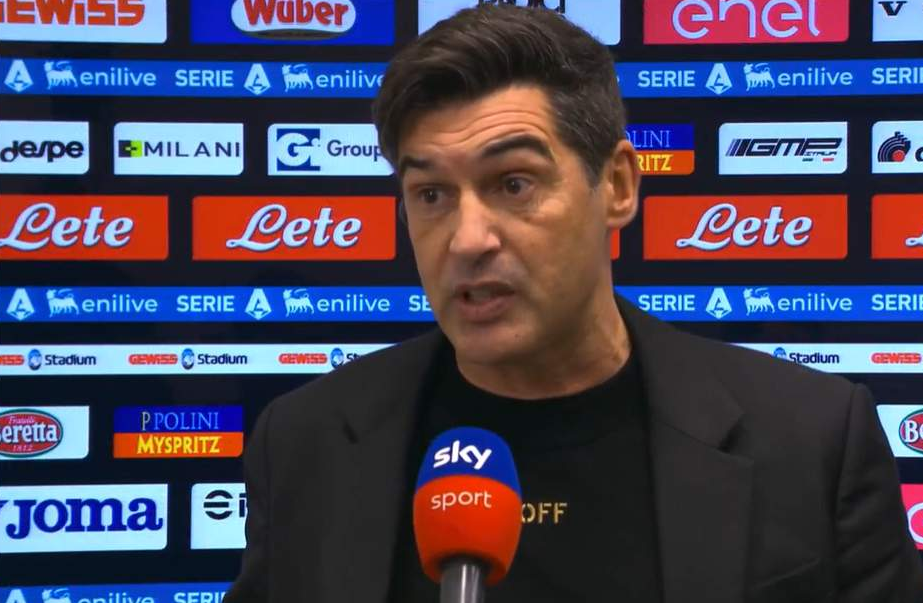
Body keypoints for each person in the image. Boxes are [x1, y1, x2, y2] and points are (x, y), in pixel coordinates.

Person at [224, 5, 923, 602]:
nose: (467, 239)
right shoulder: (306, 444)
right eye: (431, 194)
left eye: (514, 183)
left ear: (616, 185)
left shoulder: (812, 442)